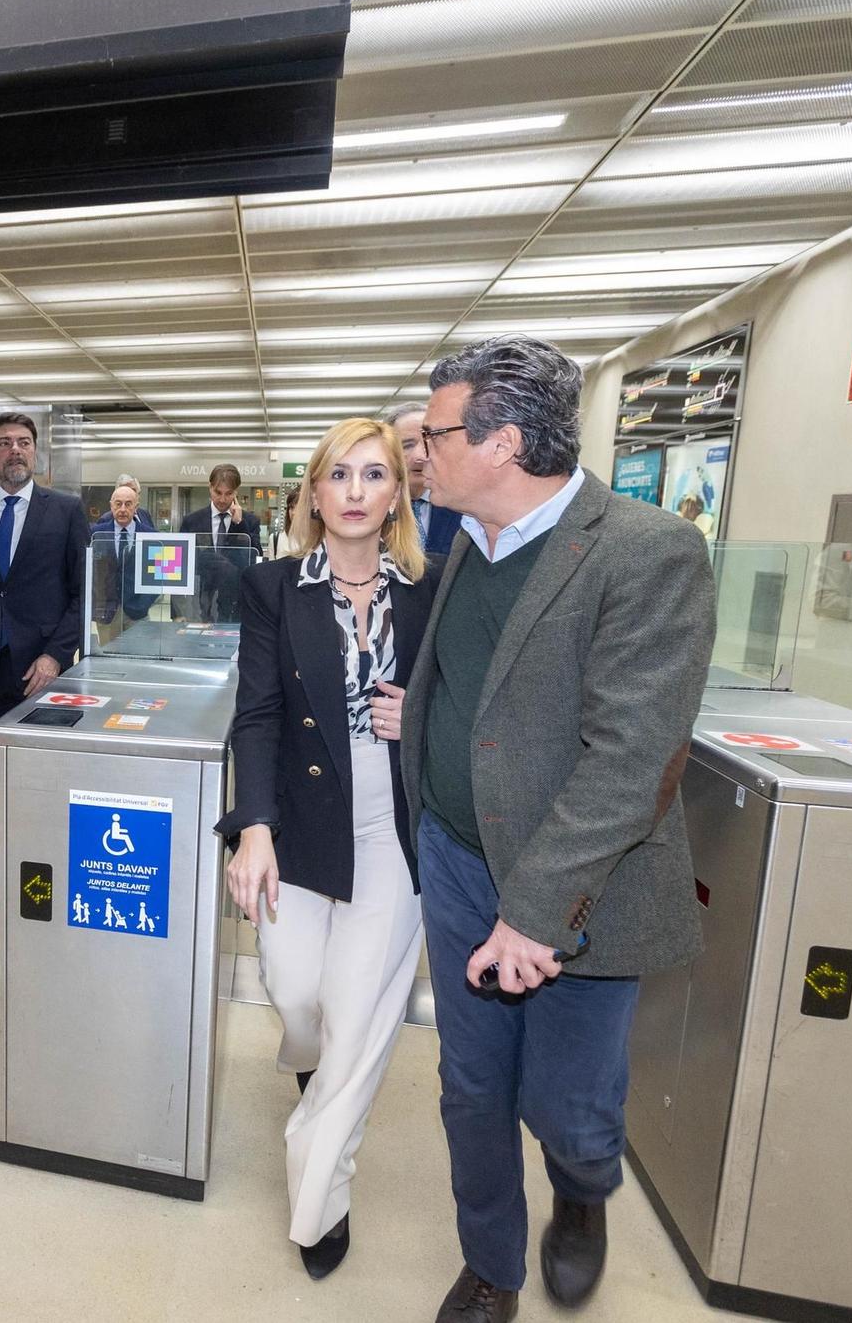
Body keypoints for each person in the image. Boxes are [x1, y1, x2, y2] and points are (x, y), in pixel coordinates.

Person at [400, 336, 716, 1322]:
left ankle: (581, 1193)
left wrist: (535, 912)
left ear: (499, 443)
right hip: (455, 863)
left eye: (435, 431)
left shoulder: (645, 551)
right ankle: (490, 1262)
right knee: (469, 1087)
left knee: (568, 1107)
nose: (420, 448)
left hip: (580, 889)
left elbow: (632, 757)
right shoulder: (465, 545)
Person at [216, 417, 439, 1282]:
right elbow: (258, 712)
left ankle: (321, 1197)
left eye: (373, 475)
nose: (353, 490)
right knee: (298, 996)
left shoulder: (432, 588)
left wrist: (413, 713)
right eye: (337, 474)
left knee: (357, 1024)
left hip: (392, 825)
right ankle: (308, 1066)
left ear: (396, 496)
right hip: (298, 823)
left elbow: (468, 714)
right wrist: (255, 827)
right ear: (313, 492)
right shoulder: (272, 587)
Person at [0, 412, 88, 928]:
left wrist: (56, 656)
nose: (14, 451)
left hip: (40, 675)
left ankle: (41, 884)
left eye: (23, 442)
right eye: (4, 443)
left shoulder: (64, 512)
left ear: (35, 453)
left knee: (40, 787)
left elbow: (82, 594)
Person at [181, 464, 263, 621]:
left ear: (236, 492)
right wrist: (178, 611)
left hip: (235, 602)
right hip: (200, 600)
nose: (223, 499)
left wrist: (240, 524)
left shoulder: (249, 522)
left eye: (229, 494)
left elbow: (254, 557)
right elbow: (181, 566)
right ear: (210, 488)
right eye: (218, 492)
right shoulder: (192, 521)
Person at [392, 401, 465, 555]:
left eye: (429, 444)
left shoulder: (463, 509)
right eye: (407, 445)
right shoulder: (374, 510)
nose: (421, 456)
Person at [89, 484, 152, 645]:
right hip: (107, 613)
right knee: (110, 664)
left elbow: (158, 577)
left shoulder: (150, 536)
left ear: (136, 507)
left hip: (138, 611)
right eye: (118, 504)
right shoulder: (96, 534)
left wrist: (144, 603)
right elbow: (89, 573)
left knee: (139, 661)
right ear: (111, 506)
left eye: (128, 504)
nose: (123, 509)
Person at [274, 485, 308, 556]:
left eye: (299, 507)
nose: (293, 513)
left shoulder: (320, 541)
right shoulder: (276, 539)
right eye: (291, 507)